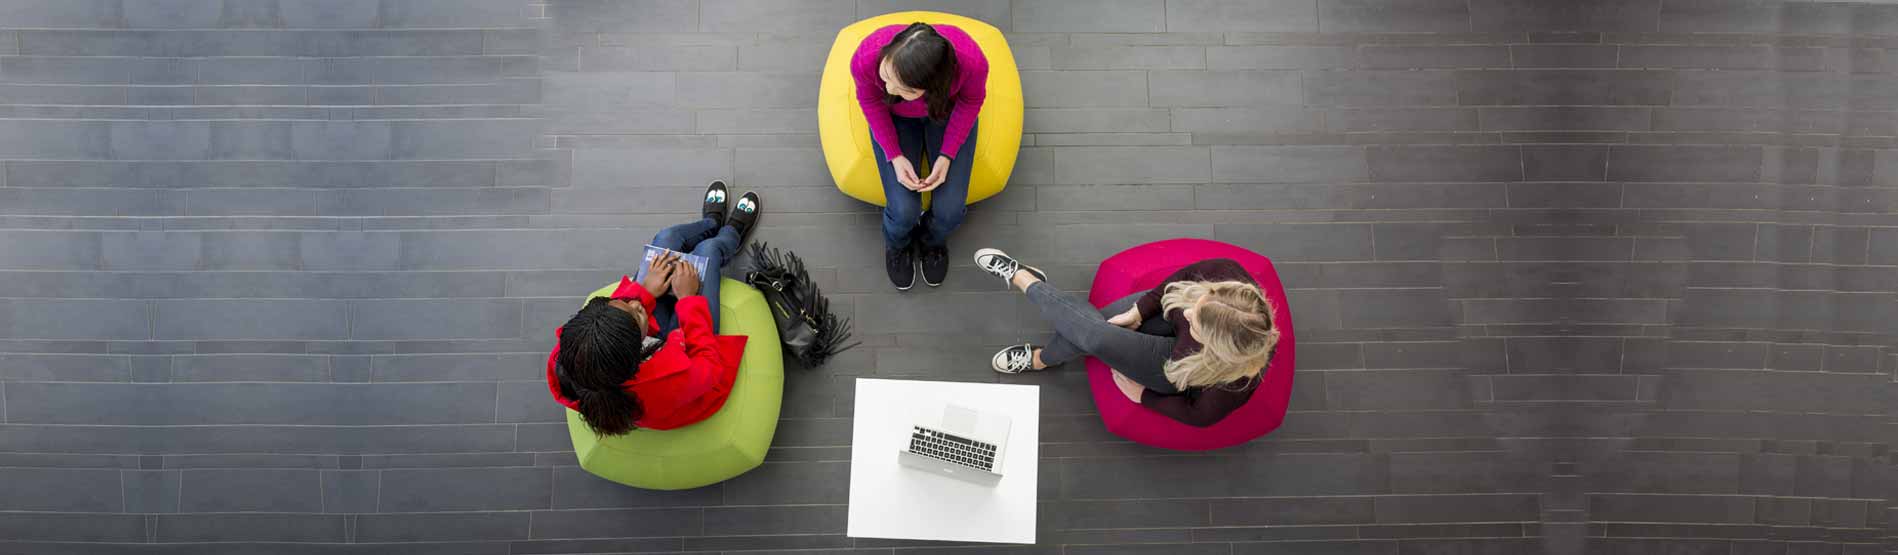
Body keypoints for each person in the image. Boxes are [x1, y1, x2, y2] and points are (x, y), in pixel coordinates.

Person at [972, 248, 1279, 427]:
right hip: (1158, 312)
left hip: (1179, 365)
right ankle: (1043, 355)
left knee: (1093, 334)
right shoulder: (1225, 273)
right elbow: (1178, 282)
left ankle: (1024, 280)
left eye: (1196, 323)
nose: (1188, 315)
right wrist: (1140, 311)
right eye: (1197, 307)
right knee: (1095, 329)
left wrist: (1144, 397)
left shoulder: (1231, 383)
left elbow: (1199, 415)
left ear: (1215, 346)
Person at [547, 181, 763, 435]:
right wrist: (687, 300)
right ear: (637, 348)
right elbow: (708, 365)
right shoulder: (664, 385)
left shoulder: (576, 352)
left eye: (624, 304)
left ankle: (711, 224)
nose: (636, 303)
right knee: (708, 251)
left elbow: (625, 310)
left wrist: (645, 290)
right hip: (689, 368)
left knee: (666, 239)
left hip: (652, 352)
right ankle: (728, 235)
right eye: (638, 312)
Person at [852, 21, 988, 290]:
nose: (889, 89)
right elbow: (870, 100)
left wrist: (947, 154)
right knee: (903, 211)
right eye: (887, 75)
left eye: (905, 89)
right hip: (897, 119)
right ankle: (897, 244)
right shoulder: (866, 57)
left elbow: (971, 101)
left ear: (934, 85)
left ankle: (932, 241)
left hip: (944, 113)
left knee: (950, 211)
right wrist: (894, 154)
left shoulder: (972, 63)